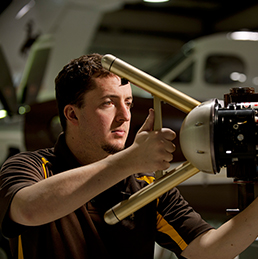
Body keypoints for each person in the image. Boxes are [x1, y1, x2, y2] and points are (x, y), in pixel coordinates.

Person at [0, 53, 258, 259]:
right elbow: (29, 210)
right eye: (108, 103)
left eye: (129, 103)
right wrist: (131, 160)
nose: (125, 116)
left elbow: (209, 251)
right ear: (72, 114)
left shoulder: (147, 186)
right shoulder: (30, 167)